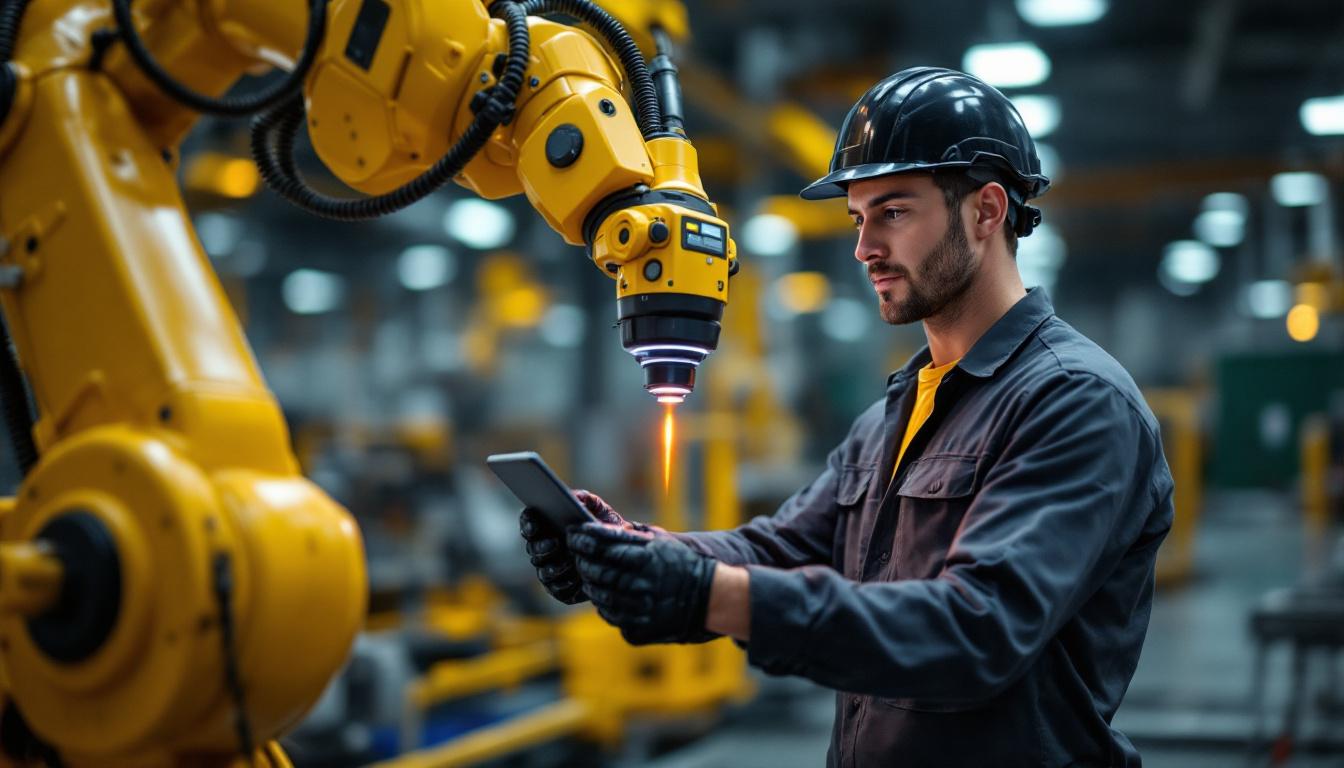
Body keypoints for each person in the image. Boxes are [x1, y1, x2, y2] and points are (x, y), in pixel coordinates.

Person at [519, 66, 1174, 767]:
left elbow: (975, 631)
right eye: (859, 219)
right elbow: (781, 547)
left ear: (987, 212)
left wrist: (708, 596)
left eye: (893, 212)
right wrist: (635, 551)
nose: (864, 248)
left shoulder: (1075, 401)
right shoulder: (896, 413)